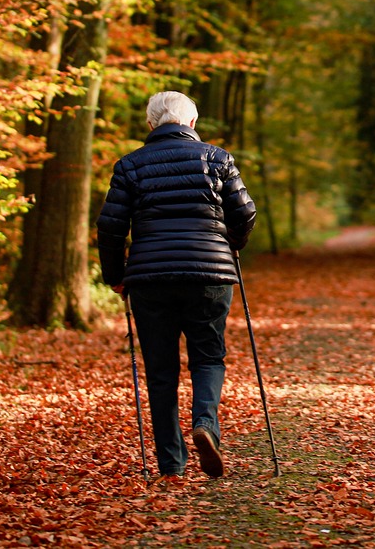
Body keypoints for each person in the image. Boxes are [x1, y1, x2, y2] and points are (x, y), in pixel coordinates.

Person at [97, 91, 257, 480]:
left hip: (150, 277)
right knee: (207, 356)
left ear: (151, 125)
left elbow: (110, 225)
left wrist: (114, 275)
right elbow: (245, 212)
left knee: (161, 369)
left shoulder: (129, 165)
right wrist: (229, 244)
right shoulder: (217, 159)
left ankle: (171, 462)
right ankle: (205, 424)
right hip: (209, 274)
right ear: (191, 124)